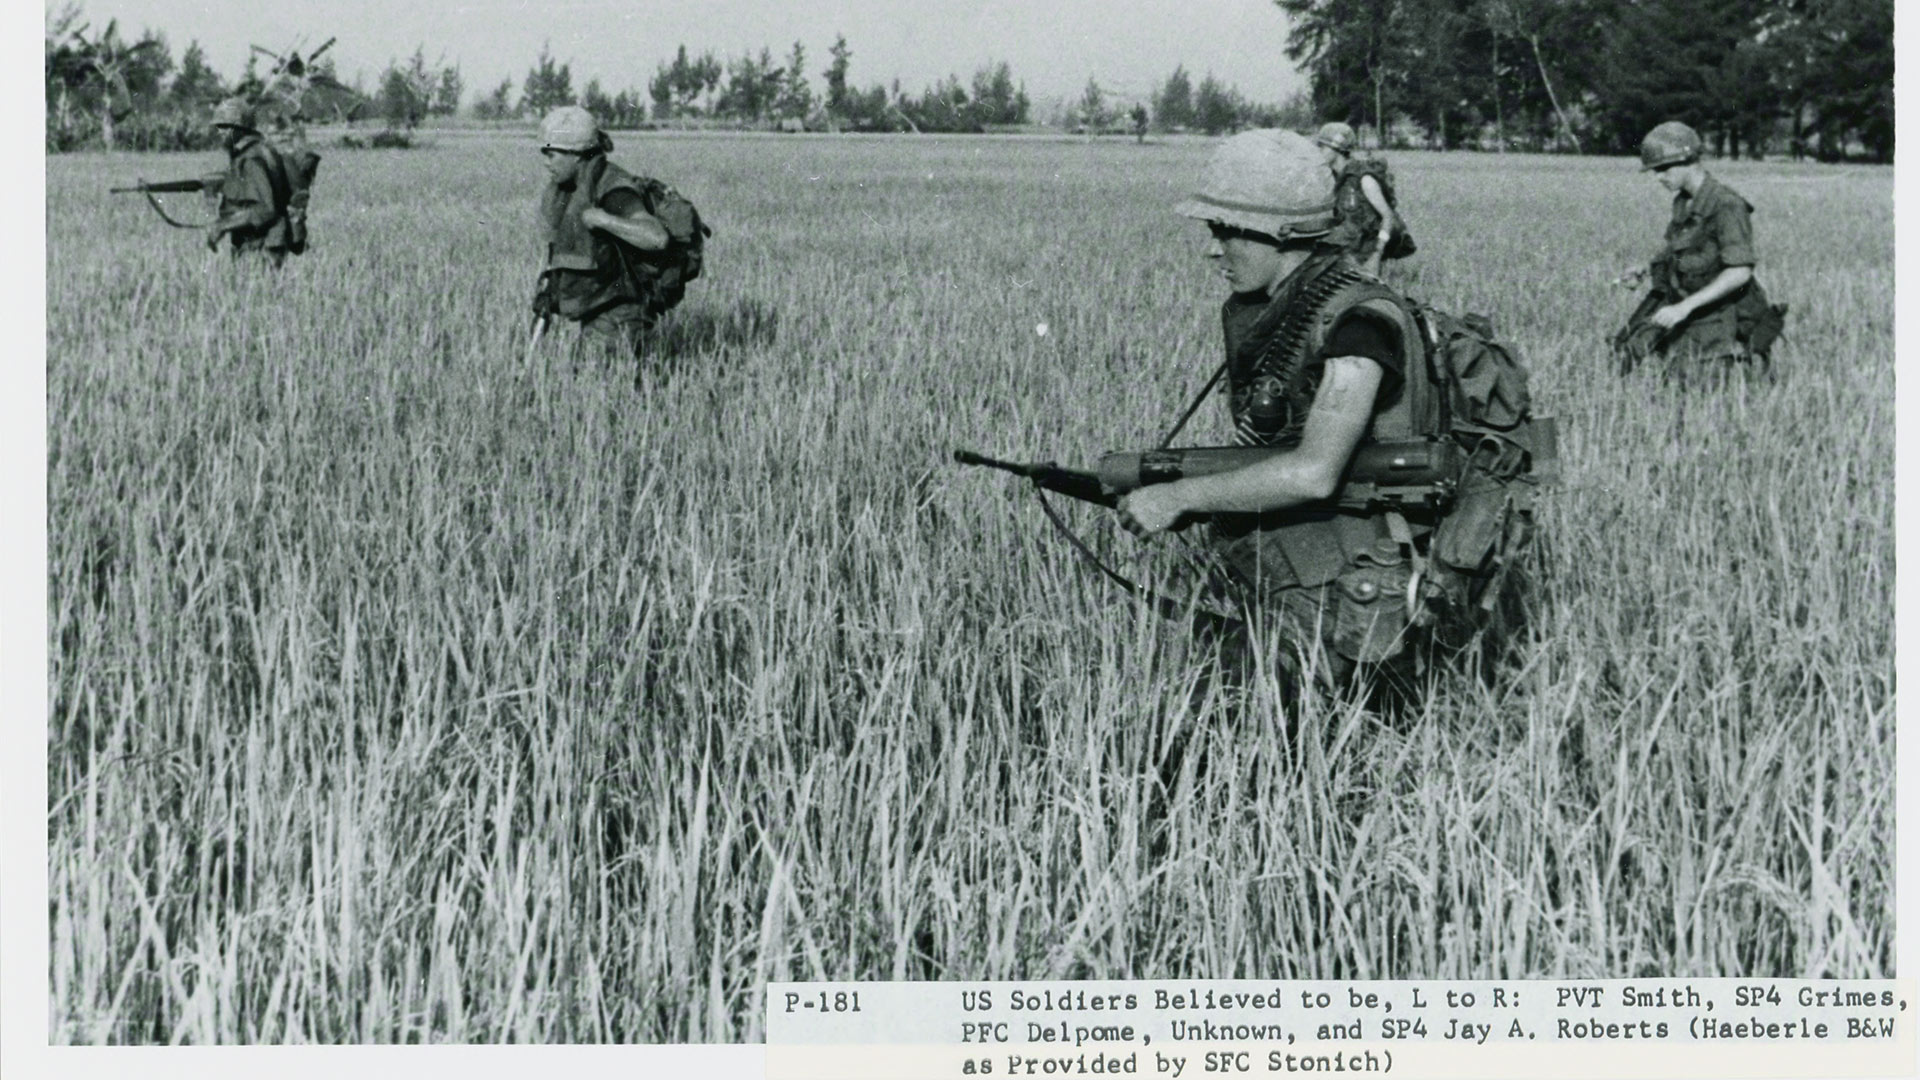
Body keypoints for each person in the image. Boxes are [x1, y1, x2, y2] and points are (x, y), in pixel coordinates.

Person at [1118, 129, 1493, 693]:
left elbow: (1314, 473)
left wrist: (1176, 496)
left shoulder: (1359, 325)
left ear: (1283, 232)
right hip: (1332, 555)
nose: (1213, 249)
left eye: (1227, 231)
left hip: (1368, 575)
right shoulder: (1291, 307)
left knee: (1227, 708)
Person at [1613, 120, 1786, 382]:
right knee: (1627, 353)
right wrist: (1646, 270)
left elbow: (1740, 271)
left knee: (1690, 384)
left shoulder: (1726, 205)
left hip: (1721, 316)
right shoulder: (1684, 202)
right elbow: (1686, 250)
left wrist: (1684, 308)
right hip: (1688, 305)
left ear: (1688, 160)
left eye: (1663, 169)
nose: (1658, 177)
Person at [533, 105, 698, 358]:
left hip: (622, 309)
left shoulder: (614, 189)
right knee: (587, 380)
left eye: (551, 154)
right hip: (599, 303)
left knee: (599, 383)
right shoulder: (568, 188)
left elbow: (656, 238)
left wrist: (604, 220)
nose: (546, 163)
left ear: (576, 154)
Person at [206, 97, 295, 266]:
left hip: (261, 247)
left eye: (225, 127)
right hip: (261, 243)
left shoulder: (251, 158)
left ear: (240, 128)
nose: (220, 132)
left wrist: (222, 226)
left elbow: (266, 209)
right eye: (219, 127)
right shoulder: (257, 150)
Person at [1313, 121, 1410, 277]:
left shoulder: (1364, 179)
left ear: (1337, 149)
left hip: (1364, 252)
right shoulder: (1334, 178)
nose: (1318, 151)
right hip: (1345, 247)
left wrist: (1376, 256)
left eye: (1323, 147)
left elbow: (1388, 216)